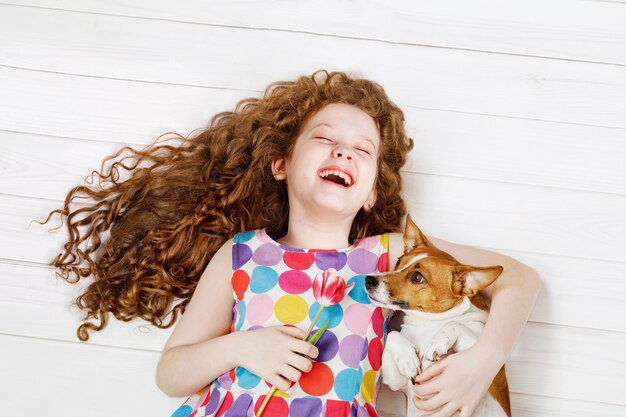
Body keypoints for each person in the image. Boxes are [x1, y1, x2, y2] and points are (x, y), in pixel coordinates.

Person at [43, 70, 541, 417]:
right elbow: (171, 373)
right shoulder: (242, 254)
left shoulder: (389, 256)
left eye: (362, 149)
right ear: (281, 165)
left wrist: (484, 360)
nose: (343, 149)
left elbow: (520, 279)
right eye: (325, 139)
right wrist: (241, 347)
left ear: (371, 193)